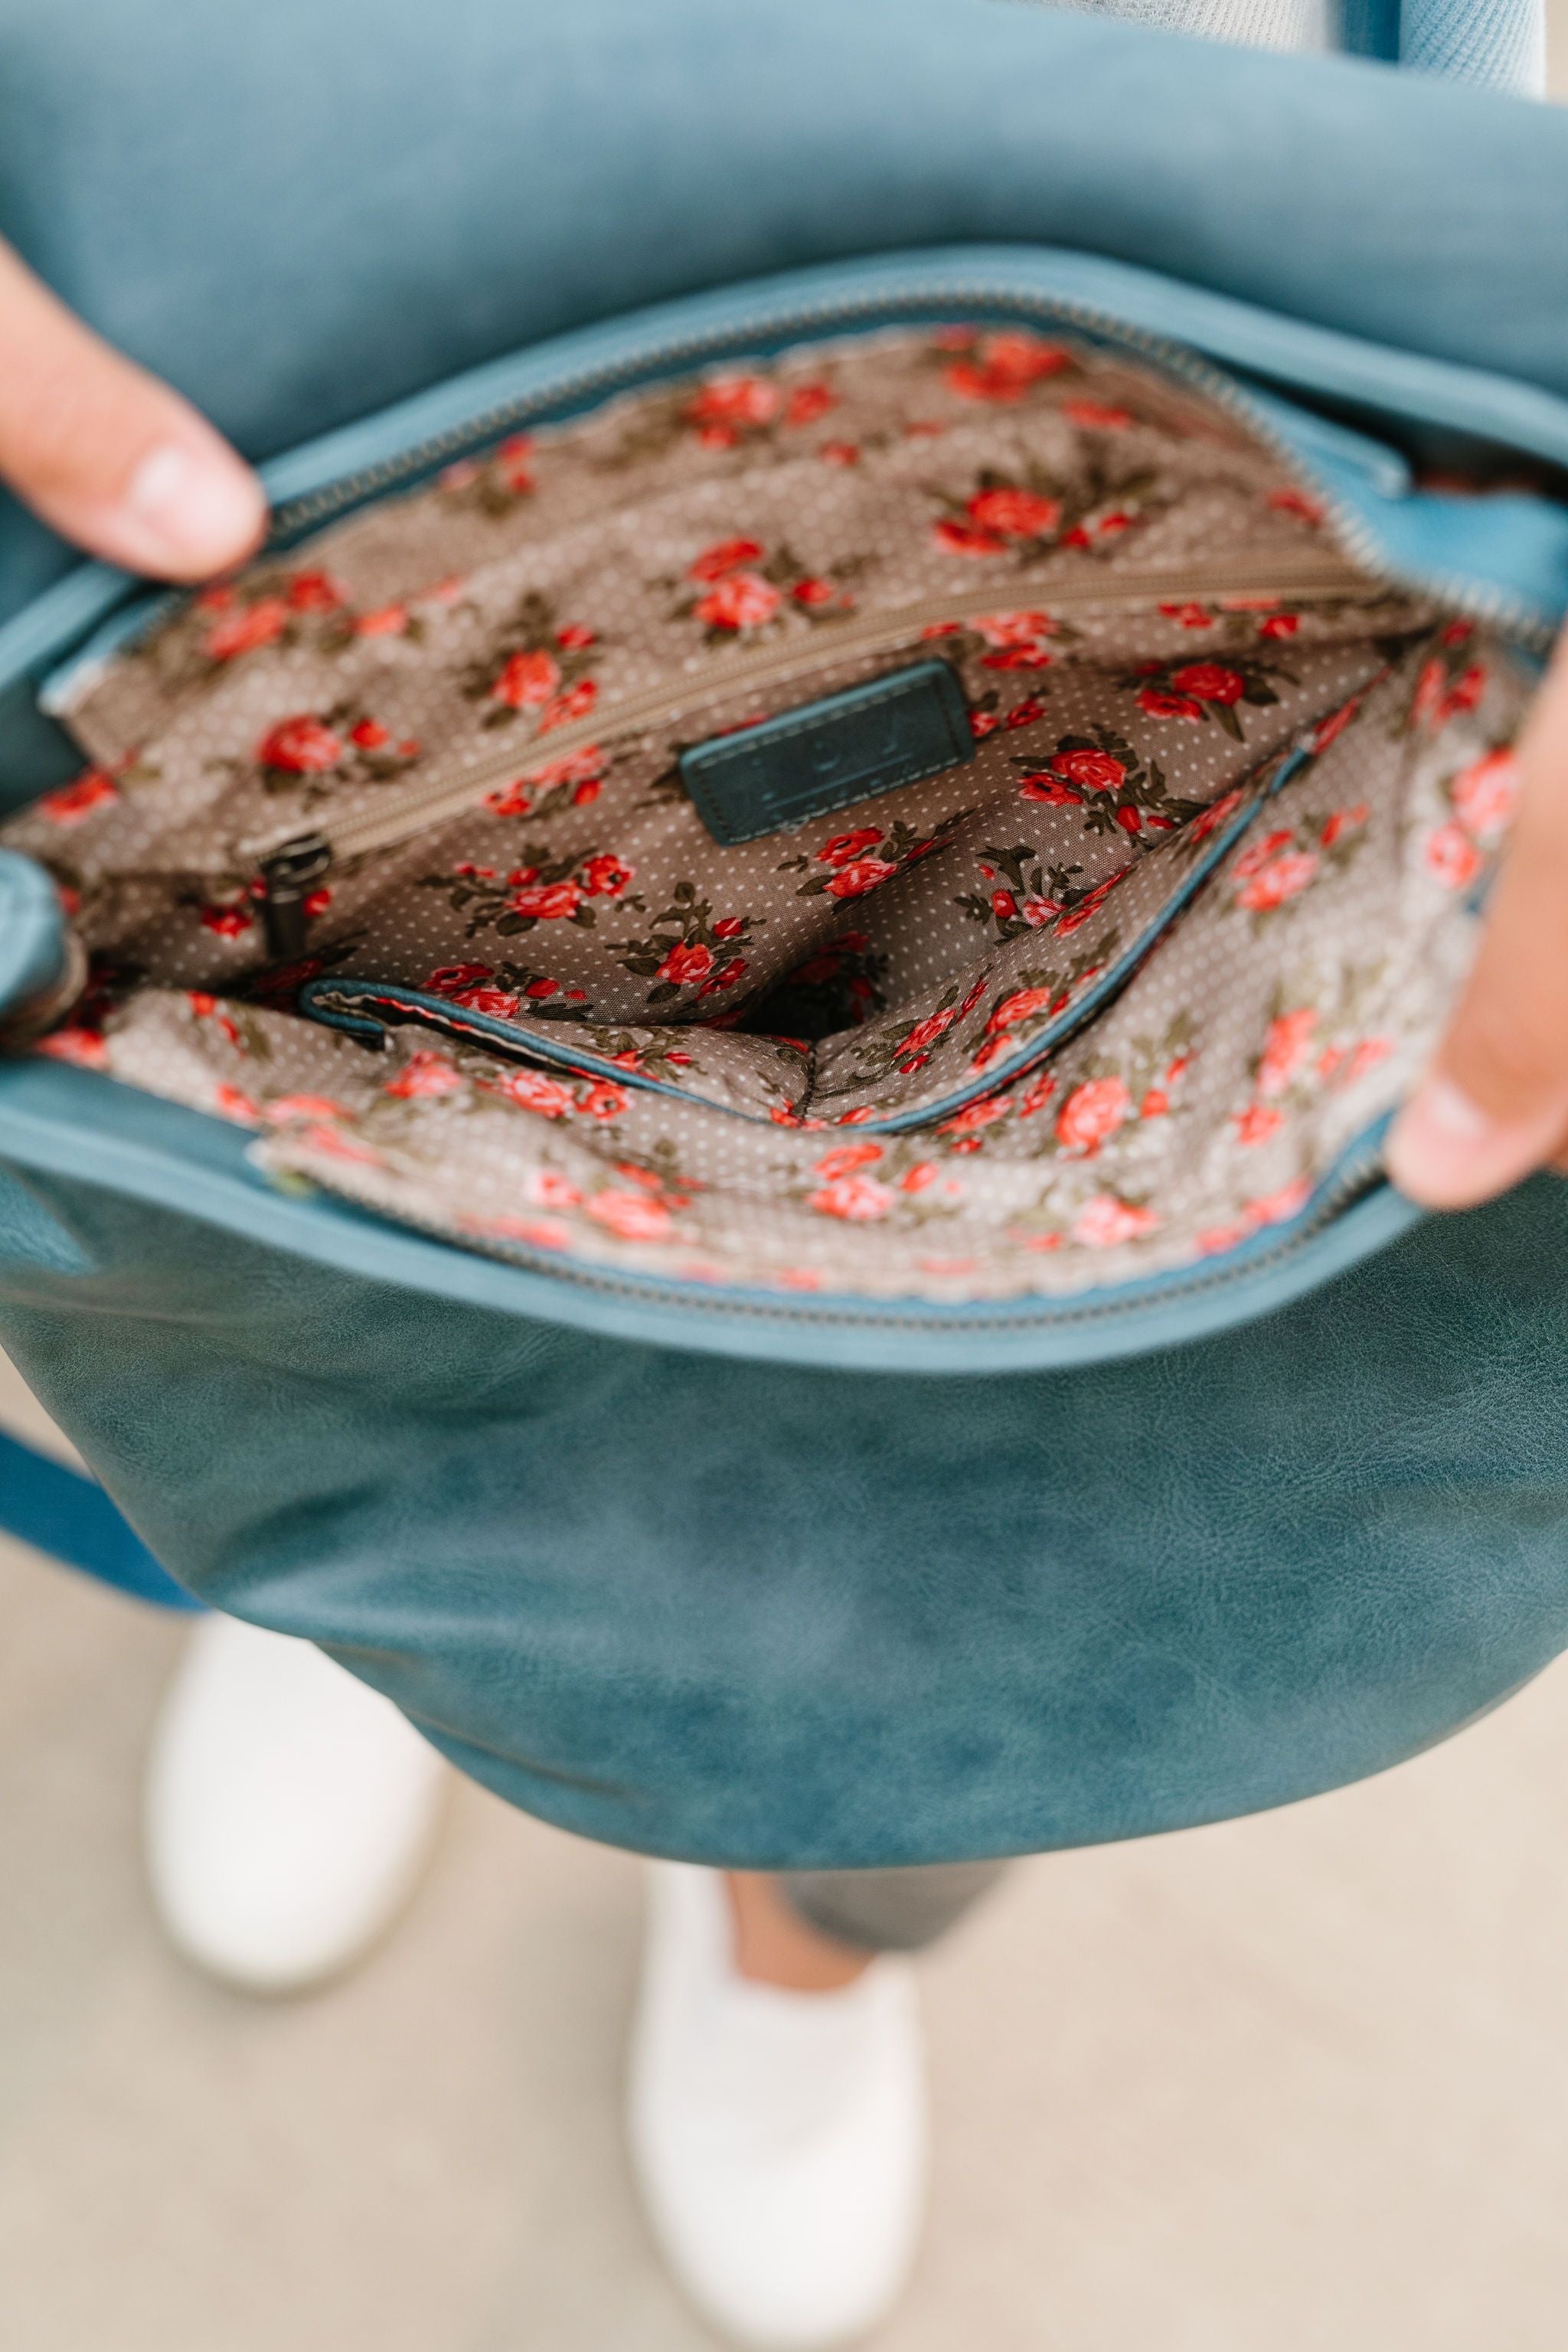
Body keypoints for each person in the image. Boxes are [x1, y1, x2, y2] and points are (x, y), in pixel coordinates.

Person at [1, 5, 1563, 2334]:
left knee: (1002, 1635)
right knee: (303, 1299)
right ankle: (367, 1617)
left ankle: (809, 1944)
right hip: (222, 374)